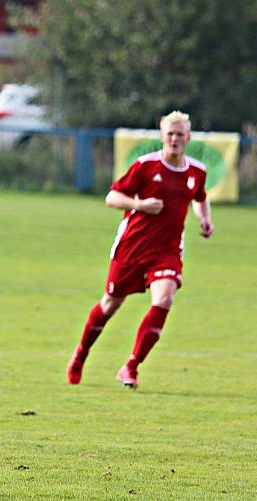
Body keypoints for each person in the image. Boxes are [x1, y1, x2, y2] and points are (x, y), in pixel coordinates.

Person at [66, 111, 213, 389]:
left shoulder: (196, 171)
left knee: (164, 299)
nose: (174, 139)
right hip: (132, 248)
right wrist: (141, 205)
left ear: (188, 138)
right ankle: (81, 353)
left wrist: (205, 219)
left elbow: (200, 198)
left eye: (179, 134)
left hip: (166, 251)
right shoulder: (145, 166)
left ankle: (131, 366)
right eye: (169, 134)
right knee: (110, 304)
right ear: (162, 136)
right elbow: (112, 197)